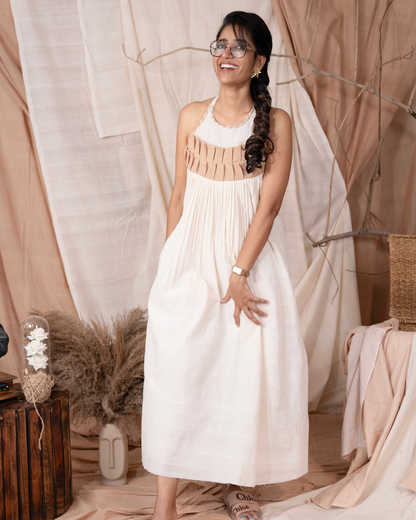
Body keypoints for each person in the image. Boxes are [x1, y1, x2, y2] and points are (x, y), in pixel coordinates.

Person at [141, 11, 309, 520]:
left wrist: (238, 275)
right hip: (190, 262)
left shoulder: (277, 123)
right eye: (220, 45)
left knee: (241, 372)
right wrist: (170, 268)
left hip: (247, 265)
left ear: (259, 62)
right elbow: (177, 196)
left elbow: (268, 209)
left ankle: (237, 485)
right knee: (177, 372)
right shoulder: (191, 116)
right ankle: (164, 505)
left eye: (239, 47)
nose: (226, 55)